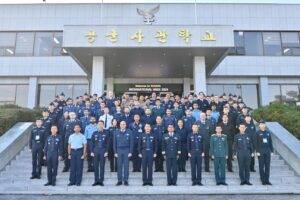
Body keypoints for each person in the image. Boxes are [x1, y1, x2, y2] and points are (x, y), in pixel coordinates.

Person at [114, 121, 133, 186]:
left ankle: (125, 180)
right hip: (119, 150)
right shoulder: (116, 132)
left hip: (126, 150)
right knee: (119, 166)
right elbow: (114, 143)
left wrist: (130, 152)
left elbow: (131, 142)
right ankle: (119, 180)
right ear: (119, 125)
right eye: (121, 124)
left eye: (124, 124)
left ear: (126, 125)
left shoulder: (129, 131)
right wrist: (115, 152)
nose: (123, 125)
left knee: (126, 166)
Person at [255, 120, 274, 185]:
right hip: (261, 151)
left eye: (263, 124)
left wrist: (272, 151)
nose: (262, 125)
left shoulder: (268, 132)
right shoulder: (257, 133)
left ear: (265, 125)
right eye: (261, 124)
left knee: (267, 166)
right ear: (259, 126)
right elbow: (256, 143)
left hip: (267, 151)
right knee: (261, 166)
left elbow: (270, 142)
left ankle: (267, 180)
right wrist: (257, 151)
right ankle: (263, 180)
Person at [90, 120, 109, 186]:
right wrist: (91, 151)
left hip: (103, 151)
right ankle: (96, 180)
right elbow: (91, 143)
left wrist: (106, 151)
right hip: (95, 151)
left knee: (102, 166)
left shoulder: (106, 133)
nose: (100, 125)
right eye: (99, 124)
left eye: (101, 124)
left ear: (103, 125)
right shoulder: (94, 133)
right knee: (95, 166)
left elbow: (107, 144)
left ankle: (101, 180)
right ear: (97, 125)